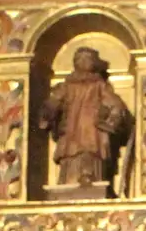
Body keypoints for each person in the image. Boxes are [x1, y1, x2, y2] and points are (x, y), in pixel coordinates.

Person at [38, 46, 132, 190]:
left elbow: (116, 105)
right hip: (72, 136)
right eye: (79, 59)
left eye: (86, 59)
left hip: (92, 137)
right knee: (71, 166)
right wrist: (48, 115)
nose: (83, 62)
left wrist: (111, 122)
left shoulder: (99, 86)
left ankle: (89, 182)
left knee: (90, 164)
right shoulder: (66, 86)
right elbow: (52, 104)